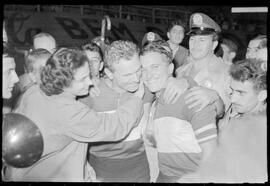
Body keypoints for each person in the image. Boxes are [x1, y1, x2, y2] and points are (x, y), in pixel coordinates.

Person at [4, 47, 145, 182]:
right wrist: (136, 100)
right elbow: (115, 127)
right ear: (65, 82)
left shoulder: (34, 92)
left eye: (89, 75)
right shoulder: (68, 112)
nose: (90, 82)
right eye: (83, 79)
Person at [79, 40, 190, 182]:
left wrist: (185, 81)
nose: (136, 79)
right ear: (109, 73)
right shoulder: (90, 94)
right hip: (100, 175)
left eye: (138, 70)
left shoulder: (147, 86)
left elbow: (172, 81)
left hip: (140, 174)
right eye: (127, 75)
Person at [140, 40, 218, 182]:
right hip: (164, 176)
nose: (148, 75)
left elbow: (211, 154)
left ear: (170, 68)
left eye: (155, 67)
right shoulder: (156, 102)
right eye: (143, 69)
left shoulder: (191, 99)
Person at [178, 58, 267, 183]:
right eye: (232, 91)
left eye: (241, 93)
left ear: (262, 95)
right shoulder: (240, 110)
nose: (233, 99)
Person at [176, 12, 230, 116]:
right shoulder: (181, 71)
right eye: (192, 39)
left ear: (214, 44)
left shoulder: (226, 72)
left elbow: (225, 113)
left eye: (202, 40)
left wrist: (215, 99)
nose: (195, 45)